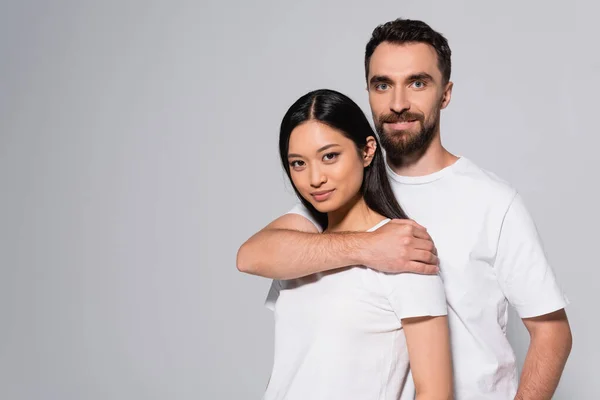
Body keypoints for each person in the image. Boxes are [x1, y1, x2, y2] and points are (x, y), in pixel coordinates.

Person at [238, 18, 572, 400]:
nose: (398, 103)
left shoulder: (493, 202)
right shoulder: (342, 190)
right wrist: (369, 247)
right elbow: (254, 254)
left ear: (445, 94)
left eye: (417, 83)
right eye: (383, 85)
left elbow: (552, 332)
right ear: (368, 91)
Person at [261, 88, 453, 400]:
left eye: (329, 156)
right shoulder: (302, 251)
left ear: (367, 151)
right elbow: (295, 369)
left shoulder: (406, 253)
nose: (314, 178)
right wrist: (365, 247)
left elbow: (436, 393)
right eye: (298, 163)